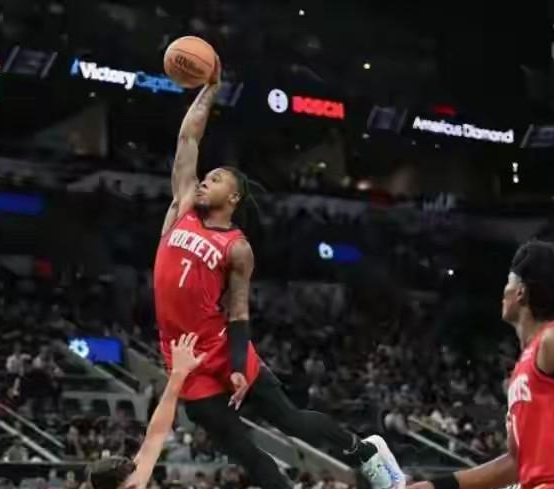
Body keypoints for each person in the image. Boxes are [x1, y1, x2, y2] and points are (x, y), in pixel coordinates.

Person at [152, 55, 402, 489]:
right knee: (244, 452)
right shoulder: (181, 211)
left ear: (234, 198)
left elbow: (238, 313)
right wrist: (210, 90)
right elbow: (188, 138)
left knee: (292, 421)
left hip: (221, 346)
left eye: (217, 179)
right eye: (206, 177)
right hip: (183, 359)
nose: (205, 180)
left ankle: (364, 451)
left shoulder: (237, 247)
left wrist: (236, 365)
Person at [408, 241, 554, 489]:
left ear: (521, 291)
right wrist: (435, 486)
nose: (504, 291)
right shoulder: (528, 362)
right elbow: (515, 463)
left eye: (508, 282)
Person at [84, 333, 205, 489]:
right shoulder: (133, 484)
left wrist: (178, 375)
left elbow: (157, 433)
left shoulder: (133, 481)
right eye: (130, 483)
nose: (137, 481)